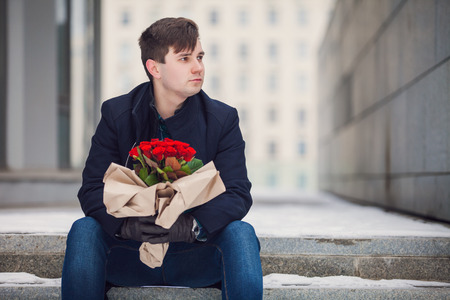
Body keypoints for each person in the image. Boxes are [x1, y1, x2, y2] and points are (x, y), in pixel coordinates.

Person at [61, 17, 263, 299]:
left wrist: (192, 227)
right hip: (131, 253)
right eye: (184, 58)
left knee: (241, 234)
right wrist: (125, 225)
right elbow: (93, 189)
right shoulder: (116, 114)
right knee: (84, 231)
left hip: (194, 254)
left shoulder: (222, 119)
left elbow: (237, 193)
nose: (198, 67)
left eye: (200, 57)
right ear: (154, 67)